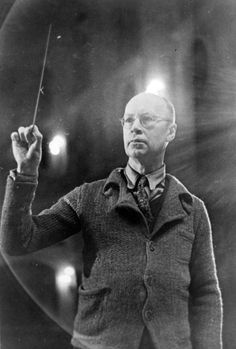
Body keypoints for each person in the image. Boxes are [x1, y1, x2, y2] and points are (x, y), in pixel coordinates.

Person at [0, 92, 223, 349]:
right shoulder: (89, 198)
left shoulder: (193, 210)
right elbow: (18, 241)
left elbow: (206, 292)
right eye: (128, 121)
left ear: (171, 131)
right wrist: (26, 174)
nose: (135, 127)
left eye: (147, 119)